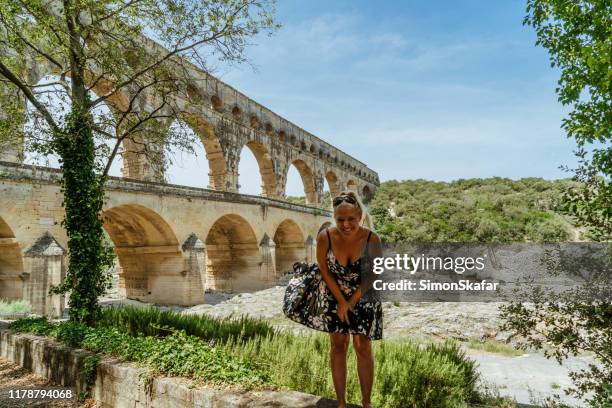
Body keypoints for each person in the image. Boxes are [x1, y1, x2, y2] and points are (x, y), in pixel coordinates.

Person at [316, 191, 383, 408]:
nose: (345, 224)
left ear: (360, 217)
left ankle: (366, 403)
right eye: (340, 219)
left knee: (362, 346)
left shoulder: (372, 238)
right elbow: (324, 270)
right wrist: (341, 301)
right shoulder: (325, 236)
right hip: (334, 293)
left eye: (351, 219)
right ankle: (342, 404)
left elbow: (373, 274)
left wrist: (351, 301)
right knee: (338, 346)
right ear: (334, 218)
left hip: (363, 294)